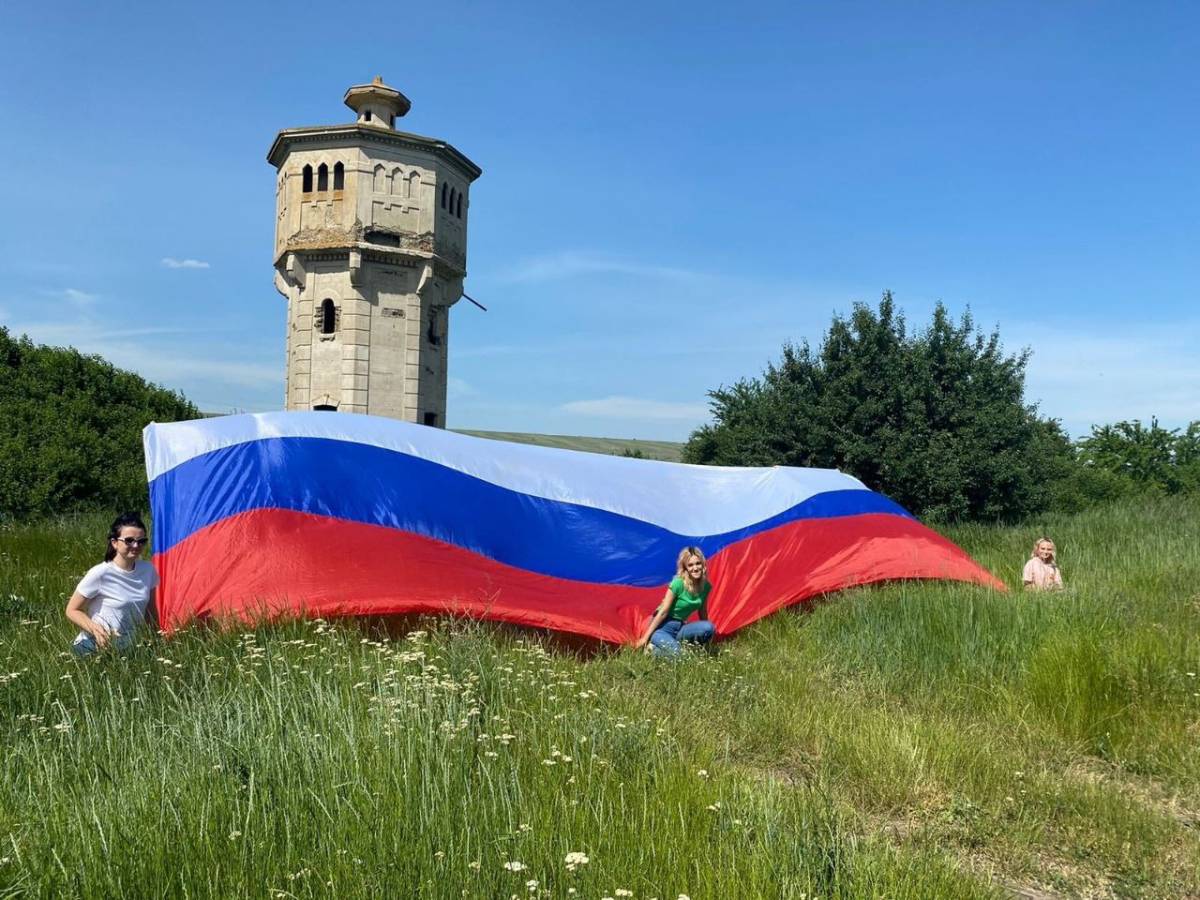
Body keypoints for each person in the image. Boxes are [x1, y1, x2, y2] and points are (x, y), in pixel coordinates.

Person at [65, 512, 159, 655]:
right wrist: (96, 630)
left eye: (141, 541)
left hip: (133, 644)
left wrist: (155, 640)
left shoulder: (148, 570)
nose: (135, 545)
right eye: (129, 540)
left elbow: (151, 612)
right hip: (96, 644)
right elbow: (72, 610)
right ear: (115, 542)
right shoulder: (100, 573)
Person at [635, 546, 716, 656]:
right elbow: (663, 612)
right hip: (661, 628)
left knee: (709, 627)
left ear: (703, 564)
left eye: (698, 563)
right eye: (690, 565)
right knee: (681, 657)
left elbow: (703, 612)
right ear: (685, 568)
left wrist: (709, 642)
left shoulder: (705, 586)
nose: (695, 568)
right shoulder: (678, 583)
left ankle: (679, 648)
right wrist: (645, 638)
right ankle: (651, 650)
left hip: (680, 628)